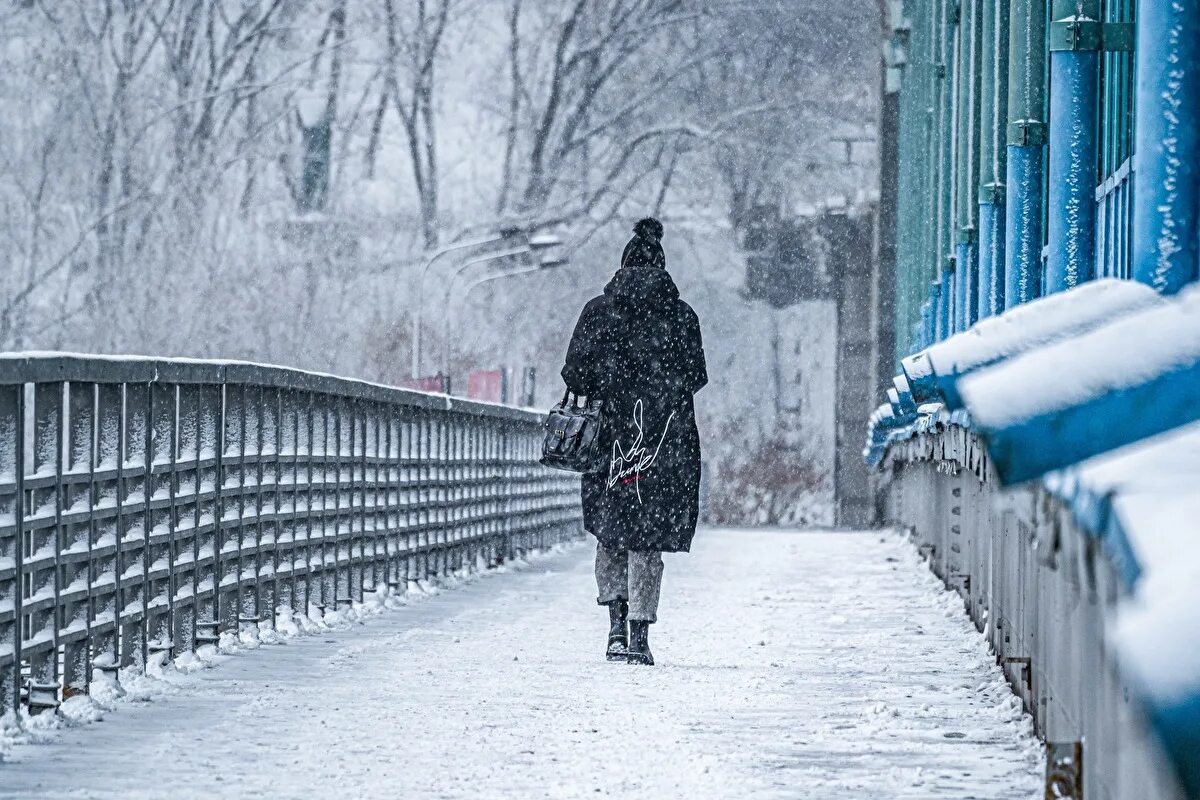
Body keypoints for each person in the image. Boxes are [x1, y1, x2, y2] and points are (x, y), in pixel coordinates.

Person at [560, 217, 708, 666]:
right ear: (662, 267)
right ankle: (641, 634)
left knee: (611, 527)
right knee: (647, 532)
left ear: (622, 264)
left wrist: (613, 380)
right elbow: (696, 377)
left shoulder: (598, 311)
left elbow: (574, 373)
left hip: (609, 436)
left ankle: (615, 629)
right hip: (663, 438)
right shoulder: (681, 316)